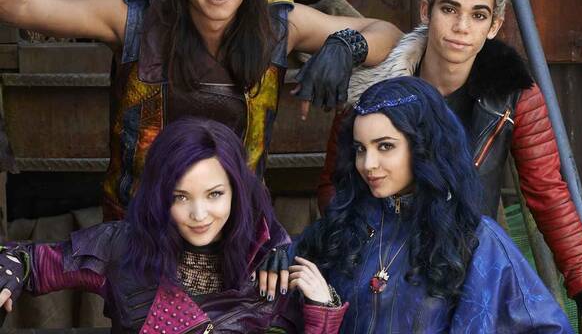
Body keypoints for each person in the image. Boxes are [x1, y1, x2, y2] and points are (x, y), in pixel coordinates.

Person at [0, 0, 401, 221]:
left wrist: (346, 45)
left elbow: (389, 33)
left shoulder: (278, 24)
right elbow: (18, 6)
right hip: (139, 231)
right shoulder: (133, 18)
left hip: (237, 228)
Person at [316, 0, 582, 327]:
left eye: (478, 15)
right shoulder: (377, 84)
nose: (461, 27)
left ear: (494, 25)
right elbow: (335, 186)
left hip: (468, 266)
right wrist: (356, 255)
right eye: (449, 9)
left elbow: (549, 195)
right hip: (383, 266)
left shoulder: (513, 95)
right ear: (426, 11)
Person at [0, 118, 347, 333]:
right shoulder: (123, 246)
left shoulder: (268, 260)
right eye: (180, 197)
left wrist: (322, 308)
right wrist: (10, 271)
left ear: (236, 192)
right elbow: (29, 261)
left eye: (214, 194)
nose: (199, 214)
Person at [294, 76, 573, 332]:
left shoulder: (475, 241)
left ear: (423, 147)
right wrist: (321, 311)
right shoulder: (340, 232)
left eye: (385, 146)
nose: (368, 164)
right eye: (360, 149)